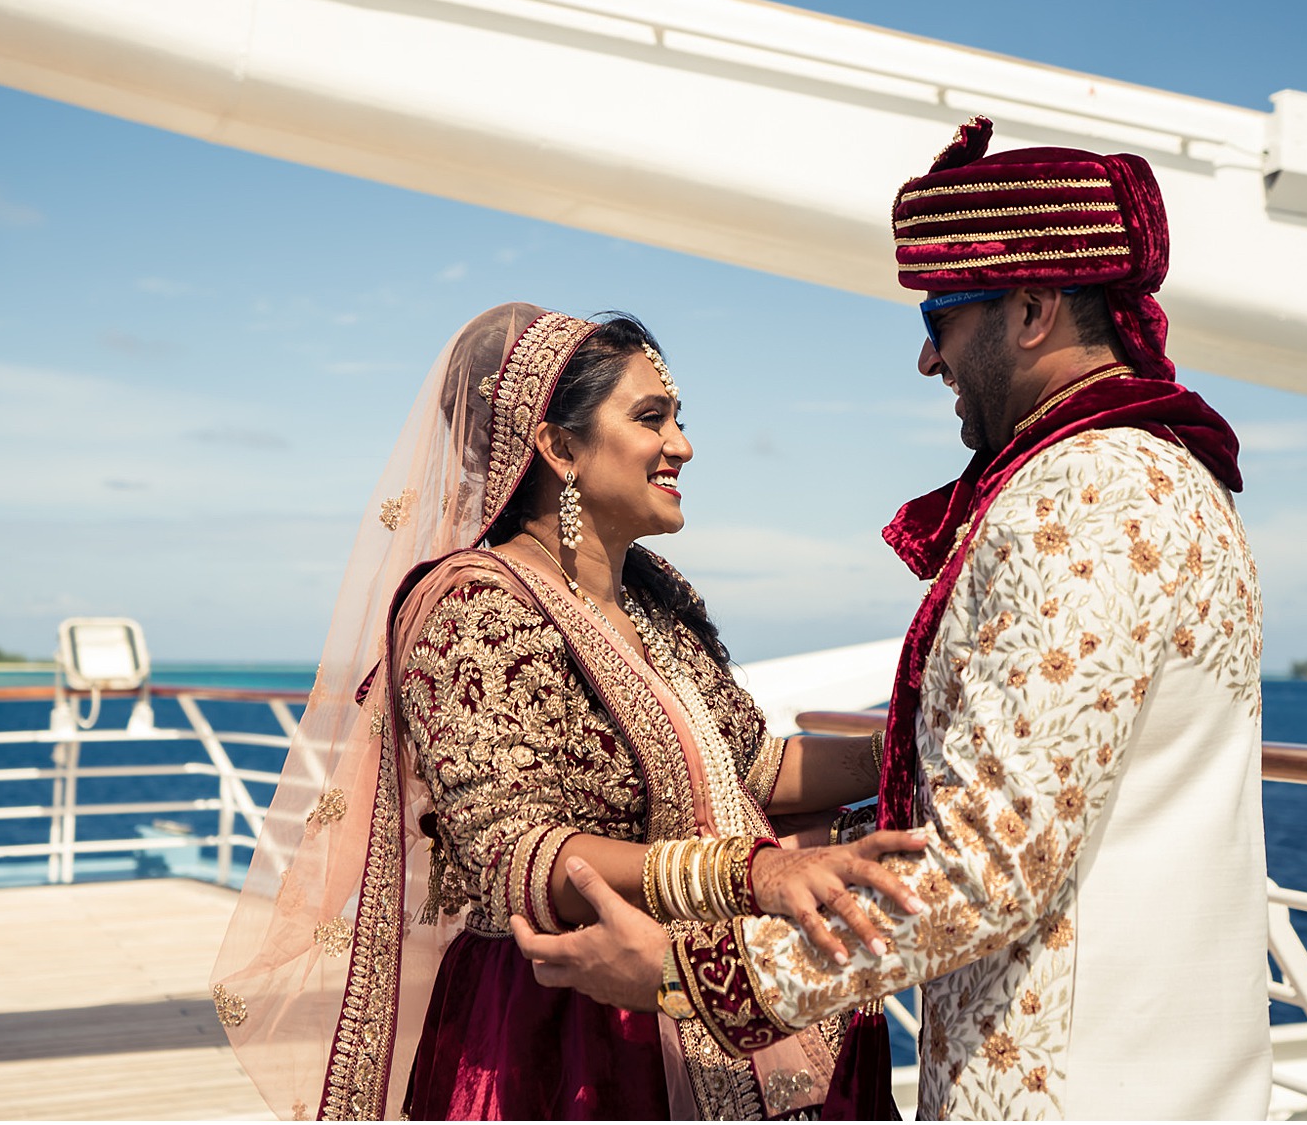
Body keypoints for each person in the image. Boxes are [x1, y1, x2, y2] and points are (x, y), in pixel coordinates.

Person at [515, 118, 1272, 1120]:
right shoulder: (1163, 475)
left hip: (1071, 1084)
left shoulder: (1077, 497)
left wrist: (681, 968)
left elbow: (990, 867)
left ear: (1032, 310)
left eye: (943, 314)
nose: (926, 358)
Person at [210, 302, 922, 1121]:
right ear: (558, 446)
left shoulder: (657, 593)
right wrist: (756, 872)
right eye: (652, 418)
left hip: (692, 986)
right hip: (564, 1031)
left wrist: (912, 741)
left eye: (679, 419)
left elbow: (752, 764)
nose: (682, 445)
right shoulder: (472, 608)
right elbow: (517, 853)